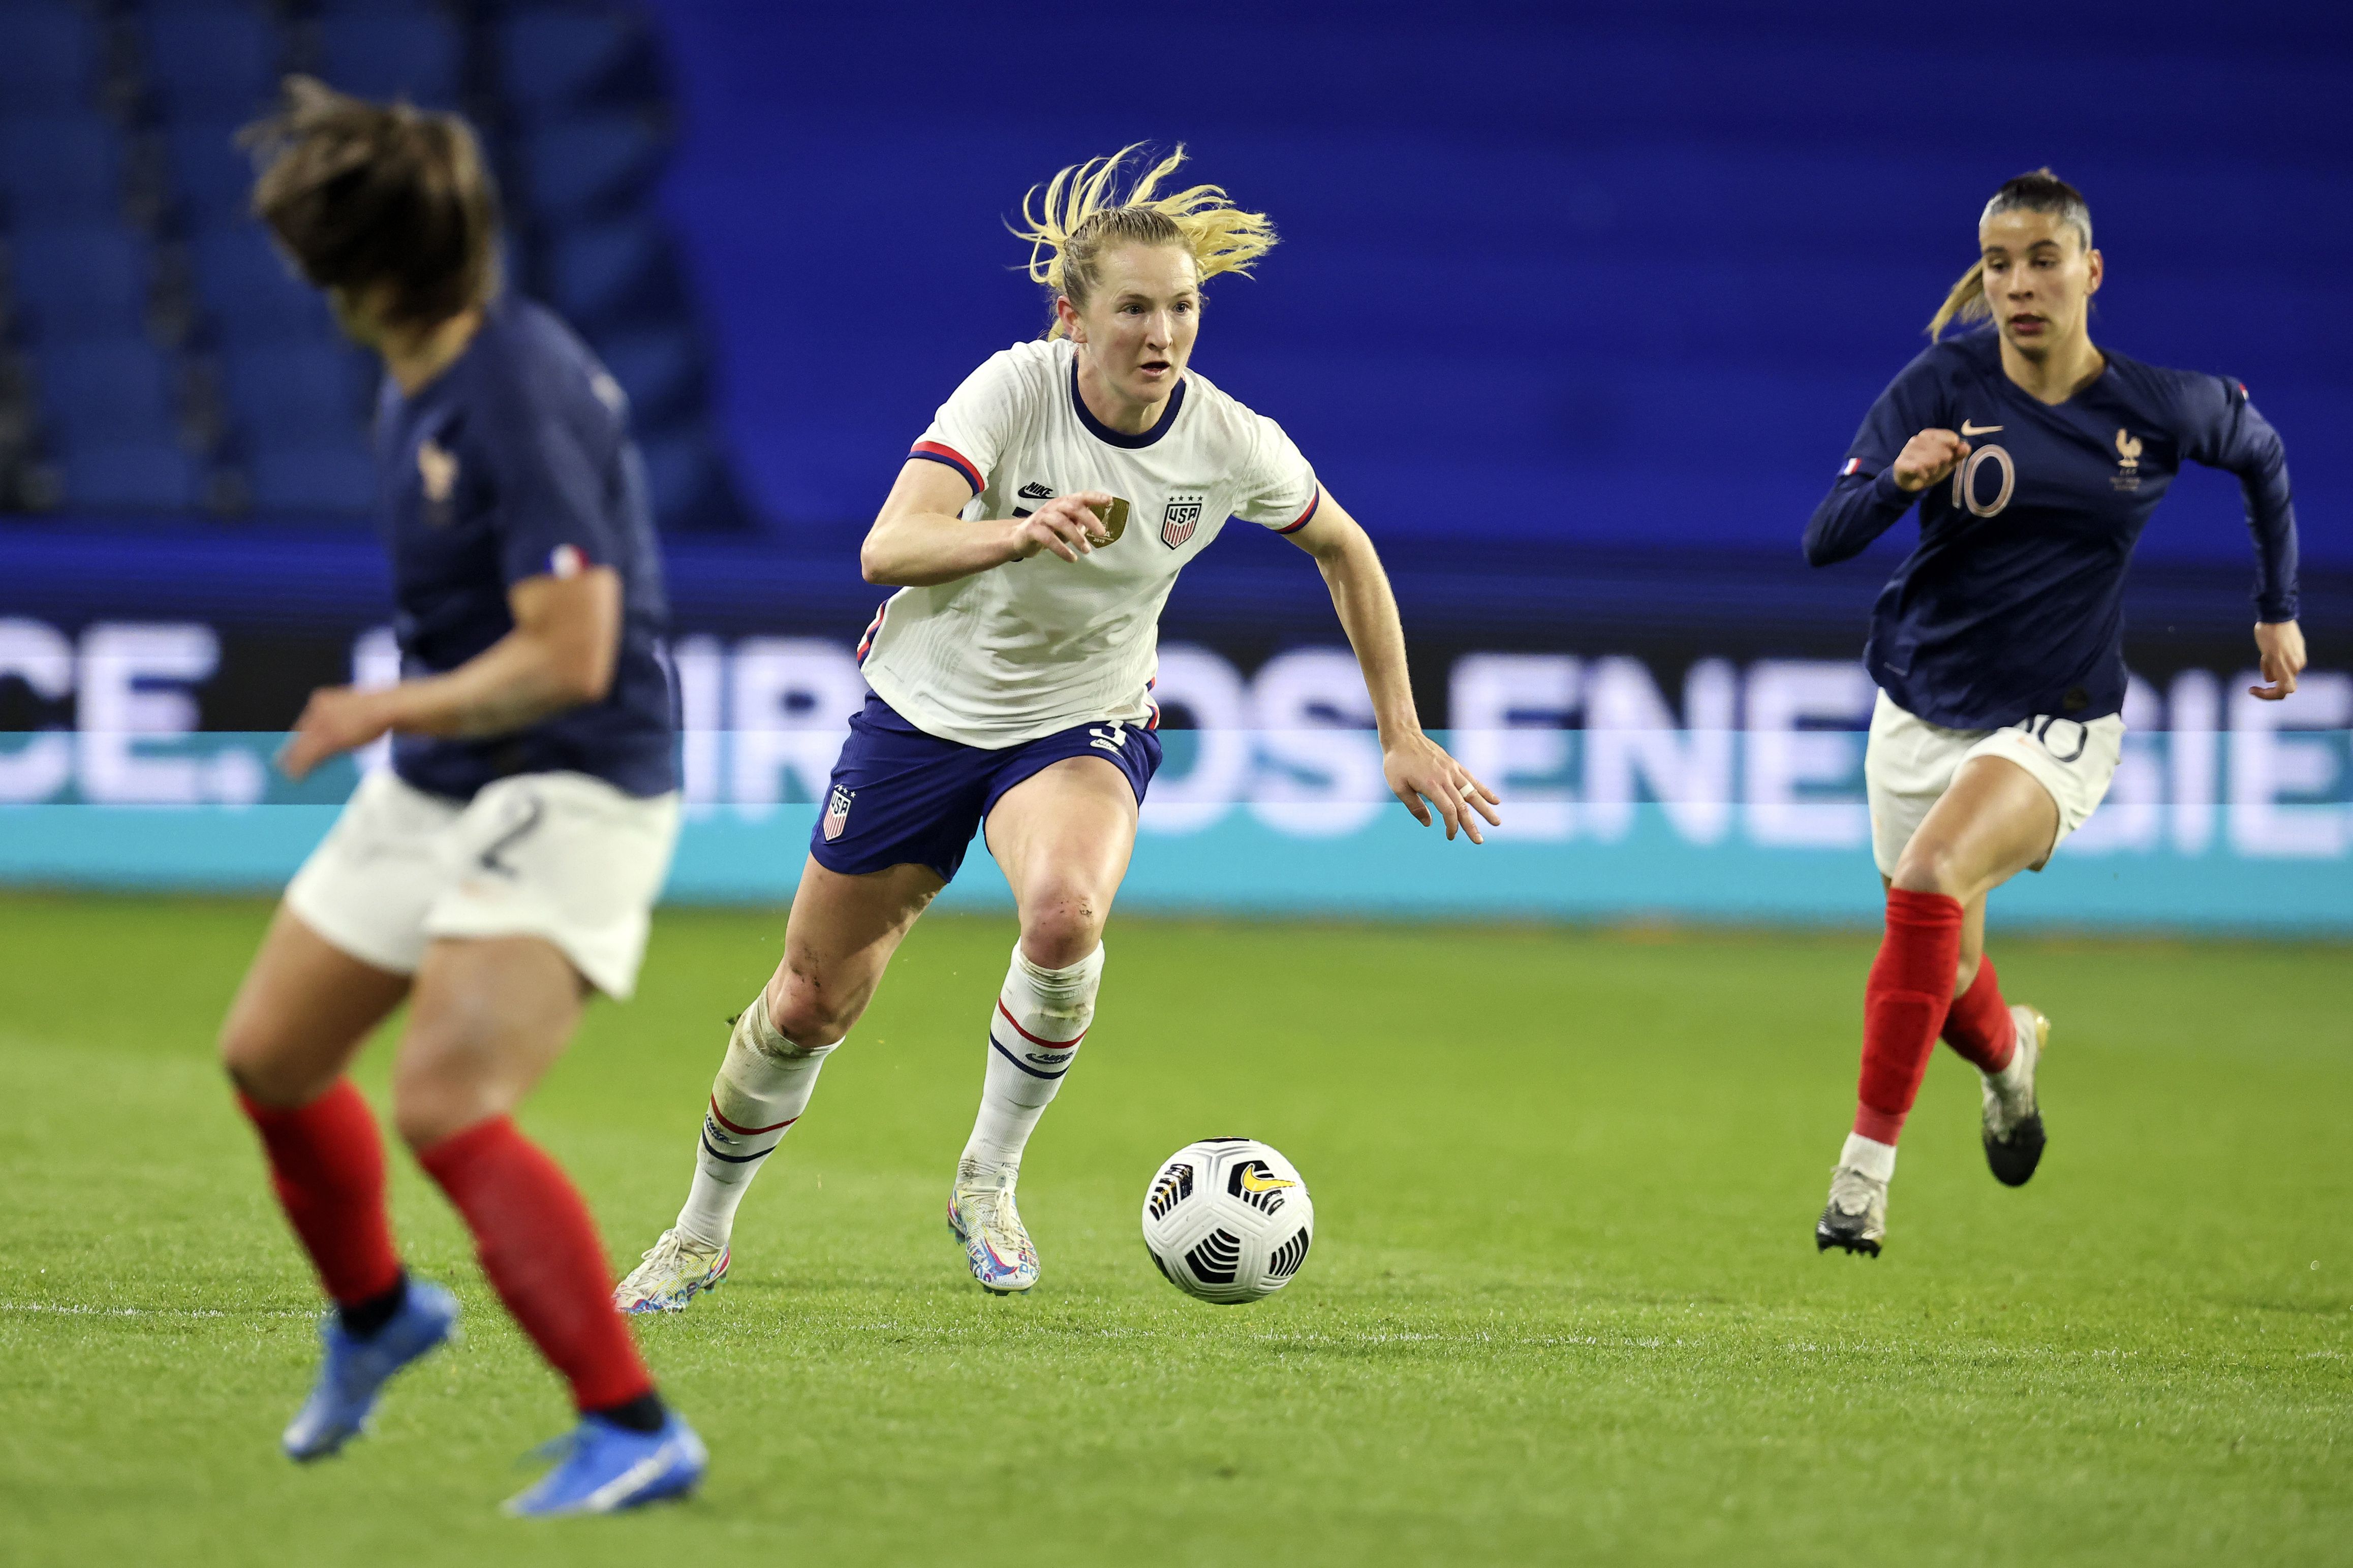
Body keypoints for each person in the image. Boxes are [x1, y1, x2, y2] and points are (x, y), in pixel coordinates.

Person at [615, 144, 1500, 1310]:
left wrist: (1400, 728)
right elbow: (887, 547)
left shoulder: (1228, 440)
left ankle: (987, 1181)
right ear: (1072, 318)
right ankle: (699, 1232)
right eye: (1133, 308)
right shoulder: (1012, 392)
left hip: (1080, 720)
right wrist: (1015, 533)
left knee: (1065, 912)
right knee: (808, 1001)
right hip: (920, 717)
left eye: (1182, 306)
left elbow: (1345, 546)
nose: (1162, 334)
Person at [213, 79, 703, 1513]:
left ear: (352, 269)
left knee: (443, 1101)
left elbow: (572, 651)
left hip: (576, 774)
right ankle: (377, 1316)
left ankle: (632, 1423)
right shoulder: (423, 364)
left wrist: (380, 705)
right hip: (446, 775)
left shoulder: (513, 391)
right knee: (271, 1055)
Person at [1803, 169, 2304, 1256]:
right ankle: (2009, 1056)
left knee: (1928, 880)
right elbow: (1824, 536)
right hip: (1920, 703)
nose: (2019, 285)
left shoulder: (2152, 407)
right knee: (1946, 975)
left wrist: (2277, 610)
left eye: (2042, 260)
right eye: (1998, 264)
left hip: (2057, 713)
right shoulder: (1943, 381)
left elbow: (2260, 454)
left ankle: (1860, 1180)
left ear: (2089, 269)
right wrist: (1894, 484)